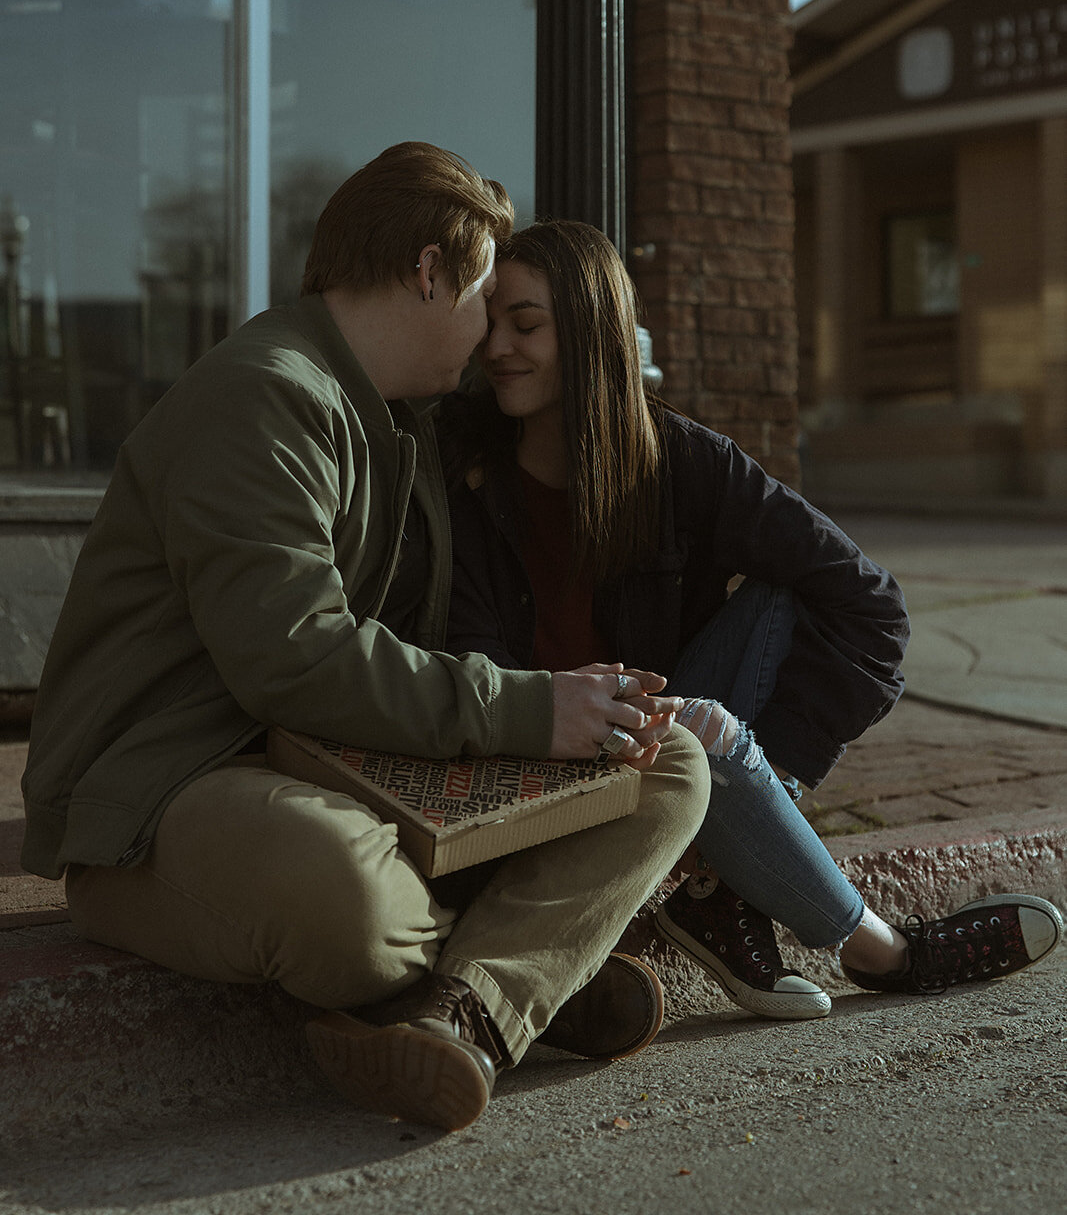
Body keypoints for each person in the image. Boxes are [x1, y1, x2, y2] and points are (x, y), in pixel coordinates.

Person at [20, 144, 712, 1134]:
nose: (486, 340)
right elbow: (293, 656)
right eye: (482, 298)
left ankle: (465, 1011)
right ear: (429, 271)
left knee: (665, 760)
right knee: (344, 897)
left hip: (337, 761)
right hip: (159, 795)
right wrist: (523, 708)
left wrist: (563, 717)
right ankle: (518, 985)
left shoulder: (402, 425)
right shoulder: (262, 394)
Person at [443, 218, 1064, 1017]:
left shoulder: (682, 461)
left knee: (783, 606)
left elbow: (868, 606)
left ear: (592, 332)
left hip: (661, 744)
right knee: (699, 730)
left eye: (523, 324)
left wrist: (769, 773)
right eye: (488, 321)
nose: (495, 346)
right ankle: (887, 952)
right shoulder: (459, 465)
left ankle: (719, 876)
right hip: (537, 751)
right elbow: (472, 665)